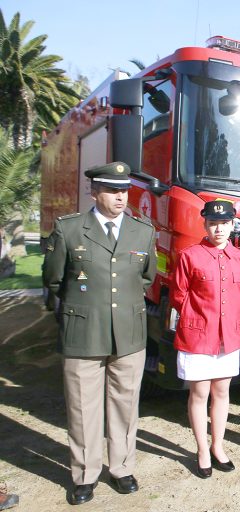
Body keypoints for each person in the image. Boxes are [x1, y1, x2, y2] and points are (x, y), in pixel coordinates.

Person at [42, 162, 157, 505]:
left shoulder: (142, 231)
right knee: (83, 406)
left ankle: (121, 468)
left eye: (124, 190)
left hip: (129, 334)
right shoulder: (70, 229)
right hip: (83, 333)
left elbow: (146, 278)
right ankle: (85, 474)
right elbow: (53, 279)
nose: (121, 197)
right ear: (94, 192)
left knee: (124, 405)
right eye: (112, 190)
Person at [170, 201, 240, 478]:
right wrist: (199, 319)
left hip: (227, 337)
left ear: (232, 225)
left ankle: (218, 447)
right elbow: (179, 295)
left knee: (222, 393)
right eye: (213, 223)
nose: (219, 228)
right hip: (198, 337)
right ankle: (202, 450)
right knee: (200, 393)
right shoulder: (189, 256)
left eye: (224, 223)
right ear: (205, 225)